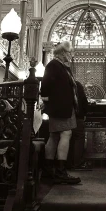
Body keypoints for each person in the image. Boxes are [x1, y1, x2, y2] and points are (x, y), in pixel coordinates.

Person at [40, 41, 81, 185]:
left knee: (54, 136)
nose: (71, 55)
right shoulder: (54, 65)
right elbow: (44, 88)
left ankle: (48, 169)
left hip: (63, 108)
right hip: (59, 108)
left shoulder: (62, 67)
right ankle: (60, 171)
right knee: (65, 133)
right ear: (63, 53)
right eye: (70, 53)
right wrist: (53, 103)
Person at [69, 80, 92, 170]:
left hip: (65, 117)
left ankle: (67, 163)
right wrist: (84, 114)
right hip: (78, 117)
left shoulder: (62, 85)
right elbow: (83, 101)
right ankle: (77, 163)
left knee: (67, 138)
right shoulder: (77, 84)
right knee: (79, 138)